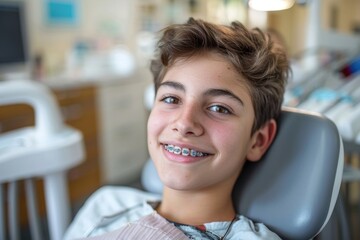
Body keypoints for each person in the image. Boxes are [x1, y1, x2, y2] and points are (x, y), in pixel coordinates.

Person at [64, 18, 289, 240]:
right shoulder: (106, 205)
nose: (184, 124)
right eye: (171, 99)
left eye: (219, 108)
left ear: (257, 141)